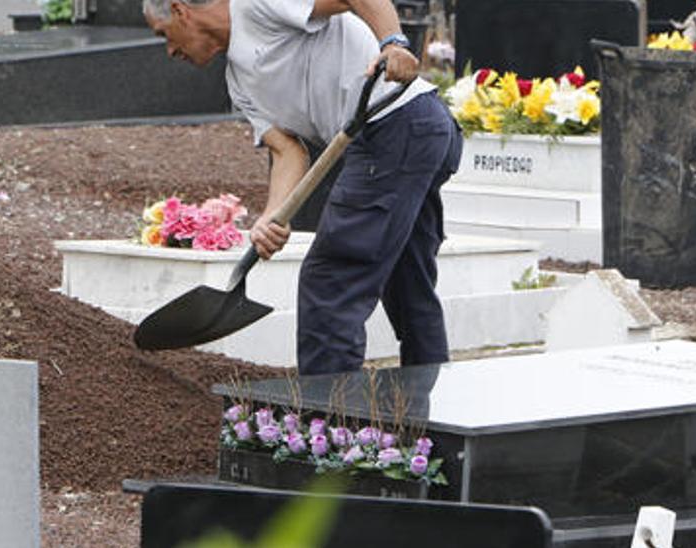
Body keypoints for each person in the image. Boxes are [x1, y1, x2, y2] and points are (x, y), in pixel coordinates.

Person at [143, 0, 462, 375]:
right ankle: (435, 413)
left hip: (396, 123)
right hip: (414, 134)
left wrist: (393, 43)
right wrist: (273, 217)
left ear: (181, 10)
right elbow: (288, 150)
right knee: (407, 280)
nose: (169, 51)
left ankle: (327, 421)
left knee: (330, 281)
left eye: (164, 36)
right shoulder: (239, 81)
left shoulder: (258, 4)